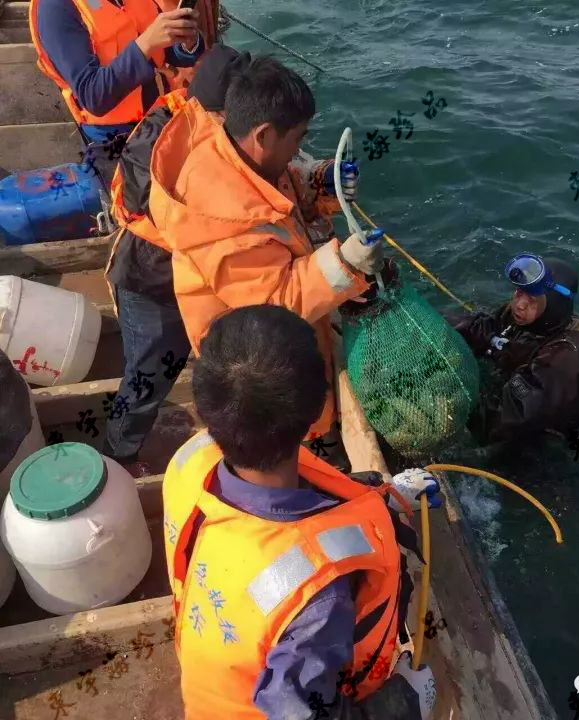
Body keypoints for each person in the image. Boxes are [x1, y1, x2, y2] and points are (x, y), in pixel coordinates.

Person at [162, 305, 441, 720]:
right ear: (315, 413)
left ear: (206, 408)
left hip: (211, 685)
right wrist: (402, 703)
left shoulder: (191, 459)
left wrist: (381, 495)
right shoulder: (316, 595)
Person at [149, 55, 383, 441]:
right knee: (280, 431)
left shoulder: (231, 151)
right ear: (263, 136)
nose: (299, 150)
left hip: (272, 338)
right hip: (253, 365)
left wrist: (321, 183)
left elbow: (281, 193)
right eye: (298, 139)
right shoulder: (226, 220)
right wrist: (345, 263)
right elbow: (275, 305)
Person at [103, 44, 250, 474]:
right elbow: (148, 207)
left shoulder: (213, 132)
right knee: (145, 377)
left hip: (196, 282)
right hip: (150, 282)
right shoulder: (159, 140)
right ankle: (118, 454)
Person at [454, 253, 579, 441]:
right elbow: (485, 328)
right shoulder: (524, 315)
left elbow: (502, 423)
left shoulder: (563, 361)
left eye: (532, 299)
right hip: (505, 392)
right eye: (519, 292)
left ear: (553, 305)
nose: (519, 305)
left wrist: (452, 401)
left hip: (535, 445)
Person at [29, 0, 207, 145]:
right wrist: (146, 44)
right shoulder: (55, 7)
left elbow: (164, 51)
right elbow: (93, 96)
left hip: (163, 119)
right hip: (113, 140)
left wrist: (187, 43)